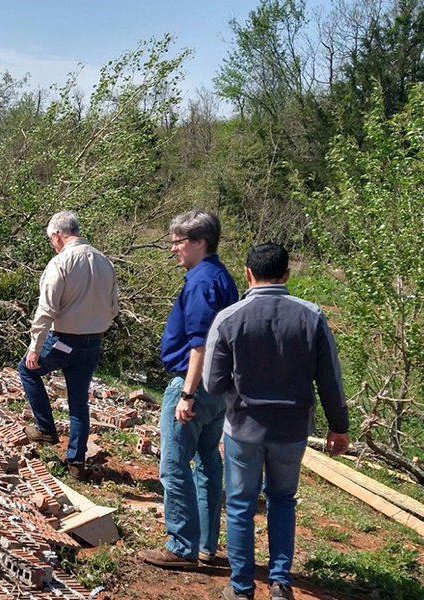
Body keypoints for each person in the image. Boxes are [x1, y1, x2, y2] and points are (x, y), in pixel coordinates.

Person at [203, 242, 350, 600]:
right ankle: (281, 584)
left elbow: (212, 383)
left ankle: (241, 588)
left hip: (243, 428)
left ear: (248, 273)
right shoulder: (312, 316)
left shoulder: (228, 318)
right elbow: (330, 378)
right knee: (283, 500)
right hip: (292, 429)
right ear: (287, 274)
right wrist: (339, 426)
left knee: (240, 505)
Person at [140, 209, 238, 570]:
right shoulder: (222, 277)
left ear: (200, 242)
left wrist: (187, 394)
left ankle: (181, 545)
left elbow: (200, 344)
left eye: (178, 242)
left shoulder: (200, 282)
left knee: (173, 465)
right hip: (220, 387)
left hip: (194, 384)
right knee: (209, 461)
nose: (173, 249)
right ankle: (206, 545)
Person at [18, 211, 119, 481]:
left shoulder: (60, 263)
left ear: (57, 236)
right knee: (78, 401)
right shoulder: (104, 261)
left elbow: (46, 309)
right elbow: (113, 308)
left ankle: (46, 428)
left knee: (28, 370)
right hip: (94, 341)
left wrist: (35, 347)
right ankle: (76, 462)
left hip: (63, 340)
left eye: (51, 239)